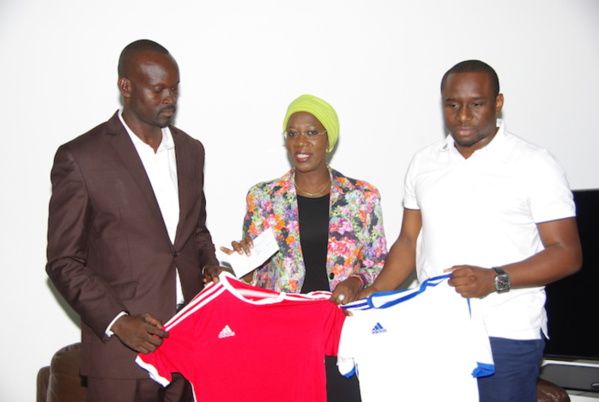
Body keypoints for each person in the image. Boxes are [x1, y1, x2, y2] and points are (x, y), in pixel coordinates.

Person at [360, 60, 582, 401]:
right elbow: (409, 240)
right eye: (452, 105)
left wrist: (495, 278)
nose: (463, 116)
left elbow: (567, 254)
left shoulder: (535, 163)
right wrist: (375, 293)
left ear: (497, 103)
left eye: (476, 104)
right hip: (434, 331)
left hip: (505, 332)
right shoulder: (424, 162)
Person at [46, 39, 219, 402]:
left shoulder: (191, 150)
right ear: (125, 86)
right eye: (158, 90)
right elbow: (63, 261)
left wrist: (211, 265)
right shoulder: (81, 157)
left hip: (189, 346)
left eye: (174, 89)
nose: (170, 99)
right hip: (122, 354)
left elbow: (195, 231)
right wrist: (118, 321)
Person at [210, 94, 388, 402]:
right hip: (283, 333)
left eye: (311, 132)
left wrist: (356, 280)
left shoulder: (362, 196)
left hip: (343, 330)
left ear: (329, 140)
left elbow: (378, 263)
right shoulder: (264, 197)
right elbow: (256, 279)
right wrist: (243, 263)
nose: (300, 142)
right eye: (292, 134)